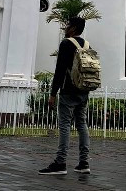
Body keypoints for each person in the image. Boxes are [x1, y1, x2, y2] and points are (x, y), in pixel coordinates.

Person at [39, 16, 91, 175]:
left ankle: (60, 163)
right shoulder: (87, 45)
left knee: (65, 125)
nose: (65, 27)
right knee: (82, 125)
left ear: (74, 28)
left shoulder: (66, 44)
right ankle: (84, 163)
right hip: (83, 91)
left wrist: (53, 93)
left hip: (68, 91)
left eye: (68, 24)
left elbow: (60, 70)